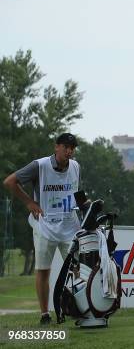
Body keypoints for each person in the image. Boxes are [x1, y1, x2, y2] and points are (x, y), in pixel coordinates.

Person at [3, 133, 82, 325]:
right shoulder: (40, 165)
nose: (69, 151)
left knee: (78, 269)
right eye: (65, 147)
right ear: (56, 147)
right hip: (45, 225)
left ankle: (76, 307)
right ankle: (45, 314)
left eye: (72, 148)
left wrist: (86, 207)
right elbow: (9, 181)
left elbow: (76, 192)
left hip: (70, 226)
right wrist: (29, 202)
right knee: (43, 271)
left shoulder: (76, 166)